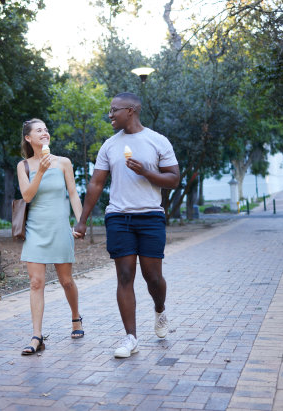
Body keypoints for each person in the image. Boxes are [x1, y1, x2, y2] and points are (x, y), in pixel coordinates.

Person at [74, 92, 180, 358]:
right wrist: (83, 220)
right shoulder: (110, 145)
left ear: (131, 110)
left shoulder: (157, 141)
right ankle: (130, 337)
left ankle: (160, 309)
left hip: (150, 216)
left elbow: (174, 179)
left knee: (153, 277)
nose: (110, 115)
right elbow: (96, 183)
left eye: (114, 110)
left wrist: (146, 172)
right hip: (119, 217)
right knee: (124, 276)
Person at [17, 118, 84, 355]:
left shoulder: (63, 162)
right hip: (36, 230)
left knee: (66, 280)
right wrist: (40, 171)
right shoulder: (23, 165)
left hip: (60, 229)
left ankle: (76, 317)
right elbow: (27, 196)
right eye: (39, 130)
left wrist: (81, 220)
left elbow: (74, 194)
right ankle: (37, 336)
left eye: (46, 129)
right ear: (28, 138)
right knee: (36, 283)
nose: (44, 133)